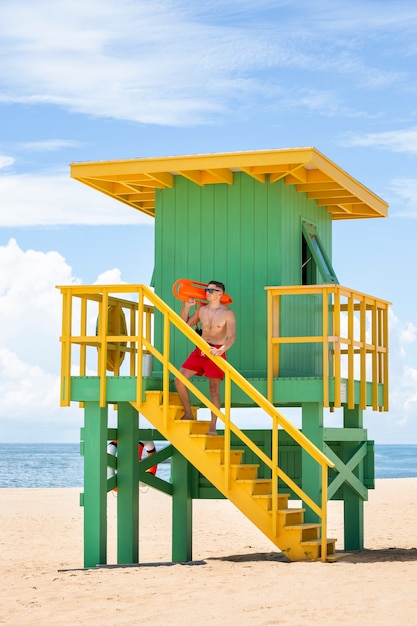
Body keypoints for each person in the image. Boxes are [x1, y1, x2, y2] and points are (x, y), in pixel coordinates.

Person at [174, 280, 236, 435]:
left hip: (216, 351)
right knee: (179, 379)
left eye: (211, 290)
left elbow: (232, 336)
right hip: (200, 349)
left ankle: (213, 427)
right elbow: (184, 325)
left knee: (214, 390)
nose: (207, 292)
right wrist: (187, 306)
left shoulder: (227, 313)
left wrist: (222, 349)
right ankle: (188, 413)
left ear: (220, 294)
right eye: (206, 290)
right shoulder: (201, 310)